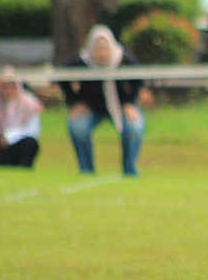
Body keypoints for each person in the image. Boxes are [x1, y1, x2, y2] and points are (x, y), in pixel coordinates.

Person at [60, 25, 148, 177]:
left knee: (134, 128)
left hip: (121, 107)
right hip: (92, 108)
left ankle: (129, 171)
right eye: (98, 49)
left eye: (105, 49)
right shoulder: (82, 61)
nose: (102, 53)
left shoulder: (124, 59)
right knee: (77, 127)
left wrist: (131, 103)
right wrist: (75, 102)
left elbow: (139, 79)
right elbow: (62, 77)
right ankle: (86, 170)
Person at [0, 67, 43, 168]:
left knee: (30, 143)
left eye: (11, 87)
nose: (8, 91)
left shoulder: (28, 103)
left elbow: (33, 131)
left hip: (16, 144)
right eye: (4, 87)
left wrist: (9, 136)